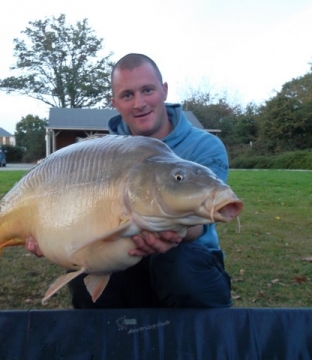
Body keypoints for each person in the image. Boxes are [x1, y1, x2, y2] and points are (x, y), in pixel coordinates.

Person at [26, 53, 232, 308]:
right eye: (127, 95)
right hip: (116, 254)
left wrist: (168, 230)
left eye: (147, 90)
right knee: (86, 279)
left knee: (179, 267)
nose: (139, 103)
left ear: (164, 90)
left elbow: (203, 221)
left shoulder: (205, 146)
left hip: (189, 258)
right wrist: (46, 234)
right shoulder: (99, 153)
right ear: (115, 103)